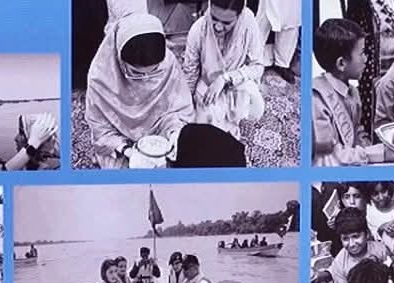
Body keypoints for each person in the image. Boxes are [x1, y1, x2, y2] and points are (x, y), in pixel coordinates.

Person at [85, 12, 195, 169]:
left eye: (154, 71)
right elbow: (101, 129)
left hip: (160, 135)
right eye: (136, 73)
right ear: (119, 58)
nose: (145, 79)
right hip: (120, 142)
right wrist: (127, 150)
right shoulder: (100, 76)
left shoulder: (168, 63)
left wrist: (175, 133)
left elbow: (178, 109)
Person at [313, 19, 387, 166]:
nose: (366, 59)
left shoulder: (353, 92)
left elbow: (356, 132)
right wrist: (372, 155)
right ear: (341, 63)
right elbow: (327, 157)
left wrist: (370, 147)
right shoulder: (317, 99)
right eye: (362, 53)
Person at [186, 0, 267, 134]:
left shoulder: (248, 24)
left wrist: (225, 78)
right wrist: (188, 104)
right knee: (207, 129)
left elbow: (257, 67)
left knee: (250, 99)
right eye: (214, 18)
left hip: (235, 83)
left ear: (239, 15)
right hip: (208, 84)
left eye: (226, 23)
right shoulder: (199, 29)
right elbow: (190, 71)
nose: (218, 27)